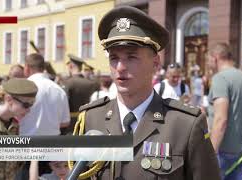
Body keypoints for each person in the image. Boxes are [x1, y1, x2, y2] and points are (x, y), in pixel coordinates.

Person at [71, 6, 221, 180]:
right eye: (114, 58)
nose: (120, 67)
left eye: (131, 57)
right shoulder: (91, 119)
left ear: (156, 63)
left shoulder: (185, 125)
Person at [207, 43, 242, 180]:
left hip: (223, 151)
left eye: (209, 59)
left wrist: (210, 154)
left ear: (216, 57)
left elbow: (221, 120)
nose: (209, 63)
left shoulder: (220, 78)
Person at [63, 54, 99, 133]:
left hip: (71, 123)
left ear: (71, 66)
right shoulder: (91, 83)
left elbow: (63, 104)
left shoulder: (68, 83)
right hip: (88, 120)